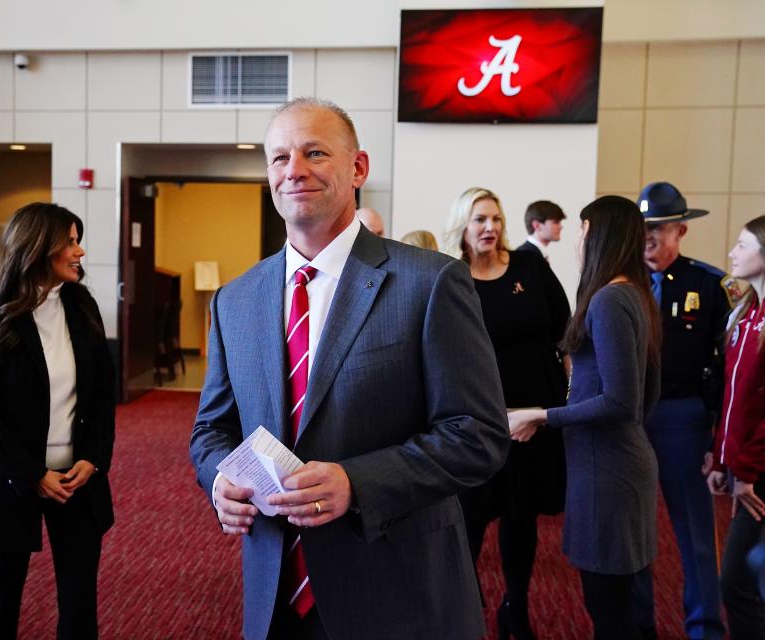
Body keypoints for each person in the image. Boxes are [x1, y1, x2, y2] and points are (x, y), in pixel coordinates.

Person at [189, 97, 509, 640]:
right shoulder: (235, 301)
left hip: (395, 592)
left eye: (315, 153)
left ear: (357, 167)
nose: (294, 170)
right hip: (274, 597)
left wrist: (356, 483)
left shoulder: (430, 284)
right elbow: (211, 430)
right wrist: (221, 476)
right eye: (279, 158)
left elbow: (477, 435)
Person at [0, 203, 115, 640]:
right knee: (2, 591)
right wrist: (32, 474)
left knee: (80, 597)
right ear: (37, 247)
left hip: (78, 479)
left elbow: (102, 393)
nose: (79, 251)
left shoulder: (82, 305)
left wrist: (93, 458)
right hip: (11, 480)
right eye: (70, 241)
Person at [509, 195, 662, 639]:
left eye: (582, 228)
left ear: (598, 235)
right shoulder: (634, 292)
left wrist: (541, 414)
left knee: (609, 608)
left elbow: (620, 401)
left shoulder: (610, 301)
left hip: (607, 471)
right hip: (619, 461)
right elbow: (646, 393)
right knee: (624, 604)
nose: (577, 238)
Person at [442, 187, 570, 639]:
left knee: (523, 516)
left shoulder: (530, 265)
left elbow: (563, 329)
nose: (490, 227)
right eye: (479, 219)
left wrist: (556, 405)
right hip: (478, 422)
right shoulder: (450, 276)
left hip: (534, 419)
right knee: (470, 519)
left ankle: (516, 606)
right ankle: (462, 609)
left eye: (495, 218)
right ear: (463, 225)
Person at [631, 181, 730, 640]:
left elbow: (725, 365)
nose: (649, 238)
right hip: (629, 417)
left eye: (660, 229)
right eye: (644, 229)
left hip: (682, 417)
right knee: (632, 532)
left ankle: (705, 627)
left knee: (693, 532)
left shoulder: (708, 285)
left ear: (681, 232)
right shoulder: (622, 281)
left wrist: (717, 436)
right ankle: (638, 625)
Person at [707, 215, 765, 640]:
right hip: (743, 467)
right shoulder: (745, 315)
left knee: (737, 582)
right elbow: (733, 399)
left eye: (743, 245)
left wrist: (745, 469)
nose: (732, 253)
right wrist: (721, 456)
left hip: (758, 472)